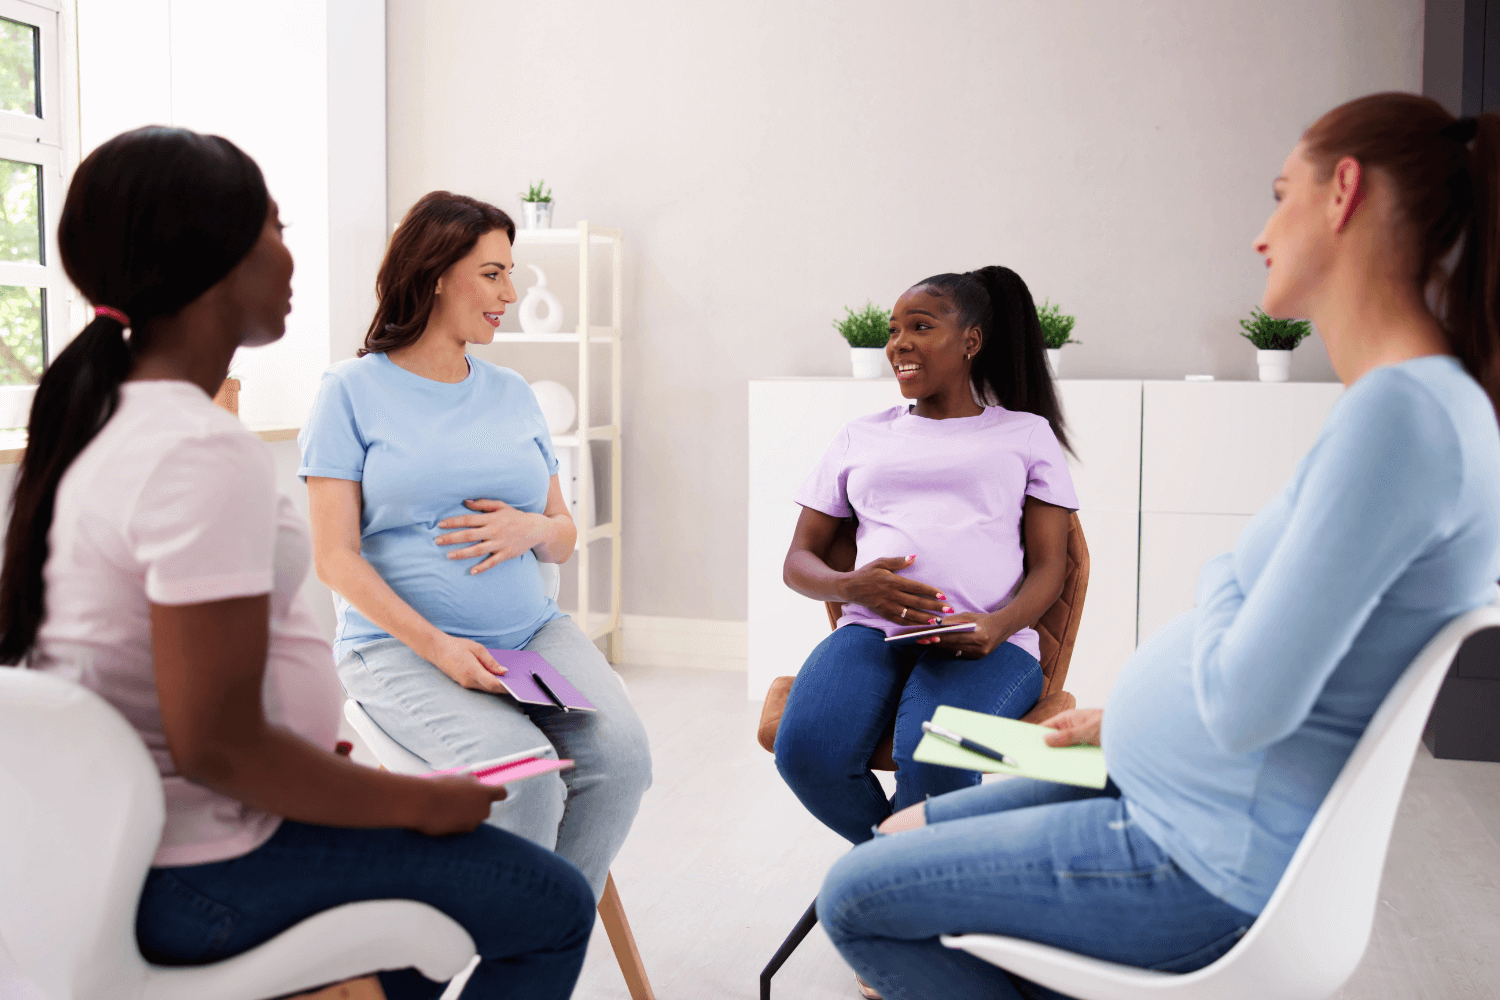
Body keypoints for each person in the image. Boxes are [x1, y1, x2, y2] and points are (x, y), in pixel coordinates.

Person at [815, 93, 1500, 999]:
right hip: (1172, 787)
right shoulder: (1415, 408)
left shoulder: (1402, 421)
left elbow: (1250, 701)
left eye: (1279, 194)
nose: (1262, 232)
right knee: (902, 837)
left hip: (1205, 850)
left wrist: (1208, 604)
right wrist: (1116, 724)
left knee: (857, 896)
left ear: (1343, 194)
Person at [0, 127, 594, 999]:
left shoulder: (96, 424)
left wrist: (324, 761)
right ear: (216, 260)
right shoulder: (201, 451)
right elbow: (219, 745)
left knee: (426, 927)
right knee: (551, 903)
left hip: (121, 842)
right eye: (275, 230)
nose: (290, 258)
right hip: (202, 861)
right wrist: (415, 801)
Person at [300, 191, 651, 902]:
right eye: (493, 274)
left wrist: (534, 529)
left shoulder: (514, 392)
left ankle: (537, 943)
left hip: (529, 635)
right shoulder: (349, 391)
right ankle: (524, 946)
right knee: (521, 782)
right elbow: (334, 557)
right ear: (435, 273)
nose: (510, 294)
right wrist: (441, 649)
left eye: (509, 274)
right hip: (401, 650)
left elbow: (563, 534)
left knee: (623, 760)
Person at [774, 265, 1078, 849]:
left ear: (972, 341)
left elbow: (1052, 566)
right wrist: (852, 586)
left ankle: (905, 877)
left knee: (933, 754)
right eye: (894, 330)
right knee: (806, 754)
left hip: (986, 642)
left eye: (920, 326)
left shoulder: (1026, 434)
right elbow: (798, 560)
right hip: (871, 634)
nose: (900, 344)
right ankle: (904, 867)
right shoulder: (859, 437)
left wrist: (998, 625)